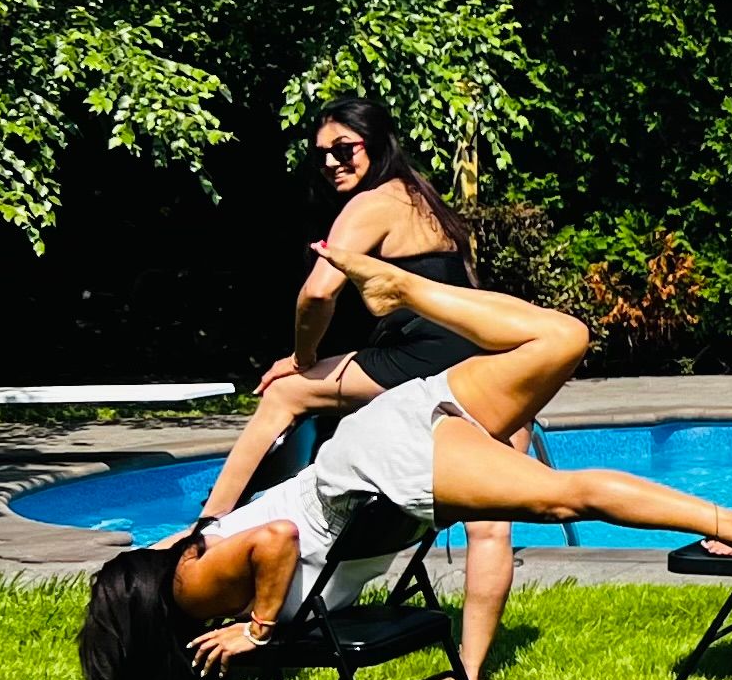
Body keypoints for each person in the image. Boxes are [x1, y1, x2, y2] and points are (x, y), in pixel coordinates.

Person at [79, 254, 732, 680]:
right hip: (371, 453)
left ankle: (731, 521)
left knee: (561, 498)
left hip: (368, 472)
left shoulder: (194, 583)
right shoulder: (186, 569)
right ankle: (411, 292)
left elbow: (277, 542)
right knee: (562, 338)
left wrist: (260, 630)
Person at [193, 97, 518, 646]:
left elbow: (317, 292)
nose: (331, 163)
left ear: (377, 143)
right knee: (491, 528)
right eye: (321, 155)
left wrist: (300, 361)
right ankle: (472, 674)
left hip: (426, 359)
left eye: (344, 149)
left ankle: (205, 537)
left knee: (286, 392)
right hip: (491, 362)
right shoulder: (425, 199)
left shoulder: (373, 203)